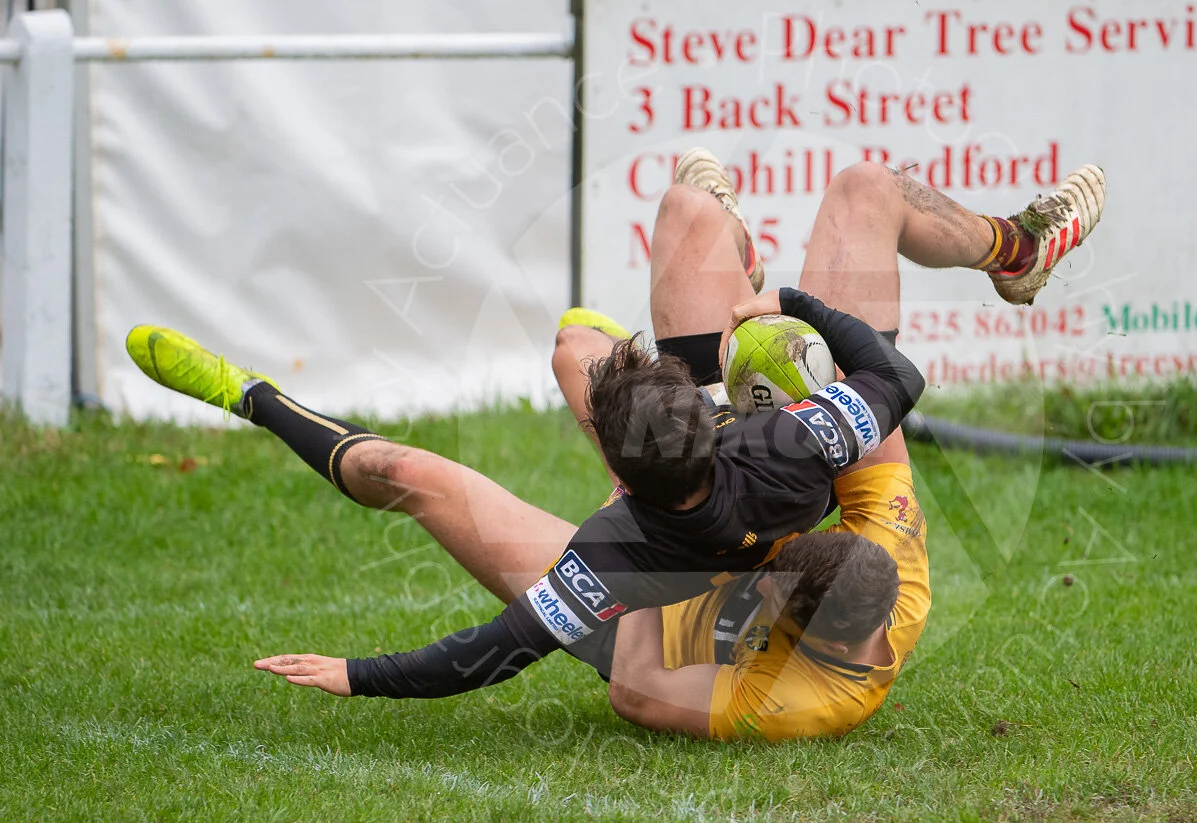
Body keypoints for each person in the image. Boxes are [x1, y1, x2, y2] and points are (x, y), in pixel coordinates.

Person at [126, 149, 1105, 706]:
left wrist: (357, 674)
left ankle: (249, 394)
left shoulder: (605, 554)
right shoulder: (796, 445)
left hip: (669, 598)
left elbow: (492, 649)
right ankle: (1014, 250)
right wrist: (782, 306)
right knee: (859, 192)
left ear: (617, 474)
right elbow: (893, 375)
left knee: (607, 296)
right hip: (794, 560)